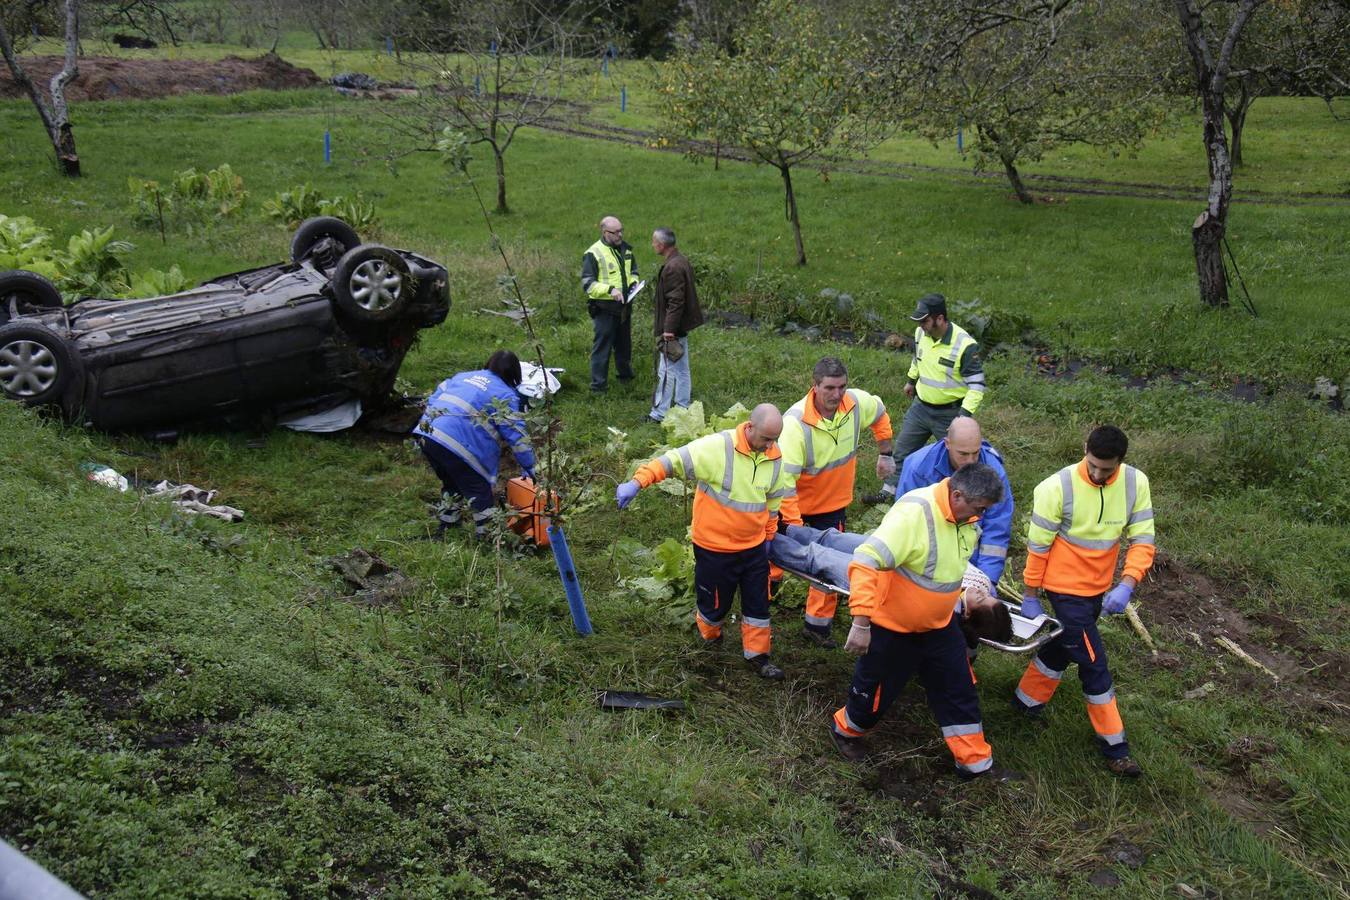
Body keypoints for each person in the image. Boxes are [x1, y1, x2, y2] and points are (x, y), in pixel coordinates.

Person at [828, 463, 1008, 778]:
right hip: (894, 628)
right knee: (875, 694)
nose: (980, 516)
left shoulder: (966, 515)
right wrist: (860, 623)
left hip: (940, 626)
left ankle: (975, 763)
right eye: (979, 508)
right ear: (958, 495)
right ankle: (846, 730)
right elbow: (865, 561)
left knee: (959, 689)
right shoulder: (913, 515)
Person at [1012, 425, 1156, 778]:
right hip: (1063, 590)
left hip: (1098, 589)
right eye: (1092, 464)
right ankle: (1116, 749)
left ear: (1121, 462)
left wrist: (1127, 583)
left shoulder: (1136, 483)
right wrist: (1031, 594)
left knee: (1062, 647)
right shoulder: (1054, 487)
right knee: (1094, 663)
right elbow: (1038, 547)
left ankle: (1025, 703)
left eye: (1106, 469)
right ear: (1084, 449)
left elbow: (1142, 539)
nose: (1097, 473)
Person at [616, 404, 791, 680]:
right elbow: (672, 460)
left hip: (754, 547)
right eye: (766, 438)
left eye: (775, 439)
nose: (771, 445)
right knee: (714, 604)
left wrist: (769, 535)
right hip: (715, 549)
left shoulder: (774, 455)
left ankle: (759, 656)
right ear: (750, 426)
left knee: (758, 604)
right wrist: (637, 483)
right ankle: (710, 639)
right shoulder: (717, 448)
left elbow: (773, 499)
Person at [776, 357, 894, 649]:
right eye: (829, 387)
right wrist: (794, 526)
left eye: (842, 387)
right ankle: (766, 599)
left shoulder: (854, 404)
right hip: (795, 508)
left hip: (832, 506)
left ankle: (816, 628)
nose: (837, 394)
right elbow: (785, 485)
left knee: (827, 570)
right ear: (814, 387)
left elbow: (879, 412)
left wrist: (885, 452)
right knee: (774, 556)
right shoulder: (794, 425)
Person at [768, 524, 1012, 649]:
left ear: (968, 613)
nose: (982, 592)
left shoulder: (946, 610)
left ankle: (763, 540)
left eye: (981, 599)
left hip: (878, 582)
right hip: (896, 554)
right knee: (833, 539)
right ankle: (780, 526)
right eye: (989, 596)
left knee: (816, 557)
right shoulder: (981, 585)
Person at [869, 293, 986, 502]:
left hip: (950, 414)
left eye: (925, 321)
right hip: (920, 408)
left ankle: (967, 500)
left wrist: (963, 417)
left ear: (939, 319)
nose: (921, 325)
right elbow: (918, 358)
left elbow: (977, 386)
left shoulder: (965, 345)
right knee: (902, 451)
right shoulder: (920, 333)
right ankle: (888, 492)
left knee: (959, 460)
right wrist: (911, 381)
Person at [413, 350, 534, 537]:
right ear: (515, 375)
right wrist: (530, 468)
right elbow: (517, 437)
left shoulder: (462, 377)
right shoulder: (506, 395)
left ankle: (447, 528)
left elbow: (433, 399)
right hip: (459, 445)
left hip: (428, 435)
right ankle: (488, 538)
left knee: (452, 482)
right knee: (480, 491)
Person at [896, 417, 1012, 588]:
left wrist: (986, 580)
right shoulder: (919, 468)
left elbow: (996, 529)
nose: (971, 461)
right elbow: (905, 523)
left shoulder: (994, 472)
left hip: (970, 556)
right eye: (963, 454)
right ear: (947, 444)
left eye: (976, 452)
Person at [645, 227, 704, 423]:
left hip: (674, 329)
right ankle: (683, 407)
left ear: (661, 245)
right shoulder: (681, 260)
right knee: (682, 369)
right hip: (681, 326)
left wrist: (668, 330)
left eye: (654, 242)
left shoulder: (672, 268)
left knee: (666, 371)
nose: (653, 245)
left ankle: (659, 414)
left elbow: (676, 301)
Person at [581, 215, 639, 393]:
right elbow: (588, 285)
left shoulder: (626, 250)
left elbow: (634, 271)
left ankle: (625, 377)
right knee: (602, 348)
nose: (620, 235)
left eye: (621, 231)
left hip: (624, 307)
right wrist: (610, 290)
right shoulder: (593, 253)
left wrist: (634, 283)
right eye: (616, 232)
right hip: (605, 309)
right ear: (605, 232)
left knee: (624, 345)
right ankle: (598, 387)